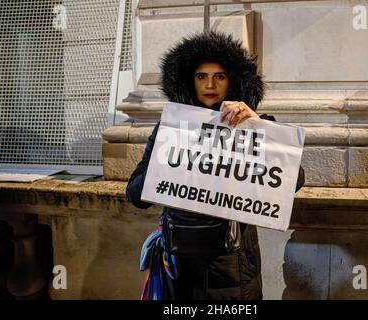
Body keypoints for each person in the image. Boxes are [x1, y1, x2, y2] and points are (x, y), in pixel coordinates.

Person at [126, 32, 305, 300]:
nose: (210, 84)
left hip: (233, 267)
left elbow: (294, 180)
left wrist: (256, 124)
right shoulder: (172, 129)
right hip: (180, 269)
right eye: (201, 76)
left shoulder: (253, 126)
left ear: (232, 80)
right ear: (190, 80)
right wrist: (170, 156)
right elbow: (135, 194)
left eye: (219, 76)